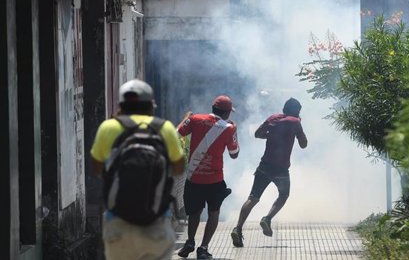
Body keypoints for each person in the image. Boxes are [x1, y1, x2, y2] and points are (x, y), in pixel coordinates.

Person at [90, 79, 186, 260]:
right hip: (156, 222)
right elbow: (179, 168)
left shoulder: (109, 127)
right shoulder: (164, 128)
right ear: (151, 105)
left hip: (118, 223)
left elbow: (96, 169)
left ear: (121, 105)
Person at [230, 97, 308, 248]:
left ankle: (238, 228)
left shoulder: (273, 118)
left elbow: (258, 134)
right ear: (297, 111)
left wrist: (272, 135)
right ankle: (267, 219)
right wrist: (296, 131)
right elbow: (304, 144)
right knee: (283, 195)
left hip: (264, 165)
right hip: (281, 169)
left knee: (253, 197)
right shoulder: (295, 122)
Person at [176, 95, 240, 259]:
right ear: (226, 113)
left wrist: (186, 119)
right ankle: (203, 248)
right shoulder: (229, 128)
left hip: (193, 178)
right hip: (215, 180)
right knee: (213, 213)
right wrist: (235, 131)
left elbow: (176, 134)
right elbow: (234, 154)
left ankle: (190, 241)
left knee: (194, 212)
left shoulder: (195, 119)